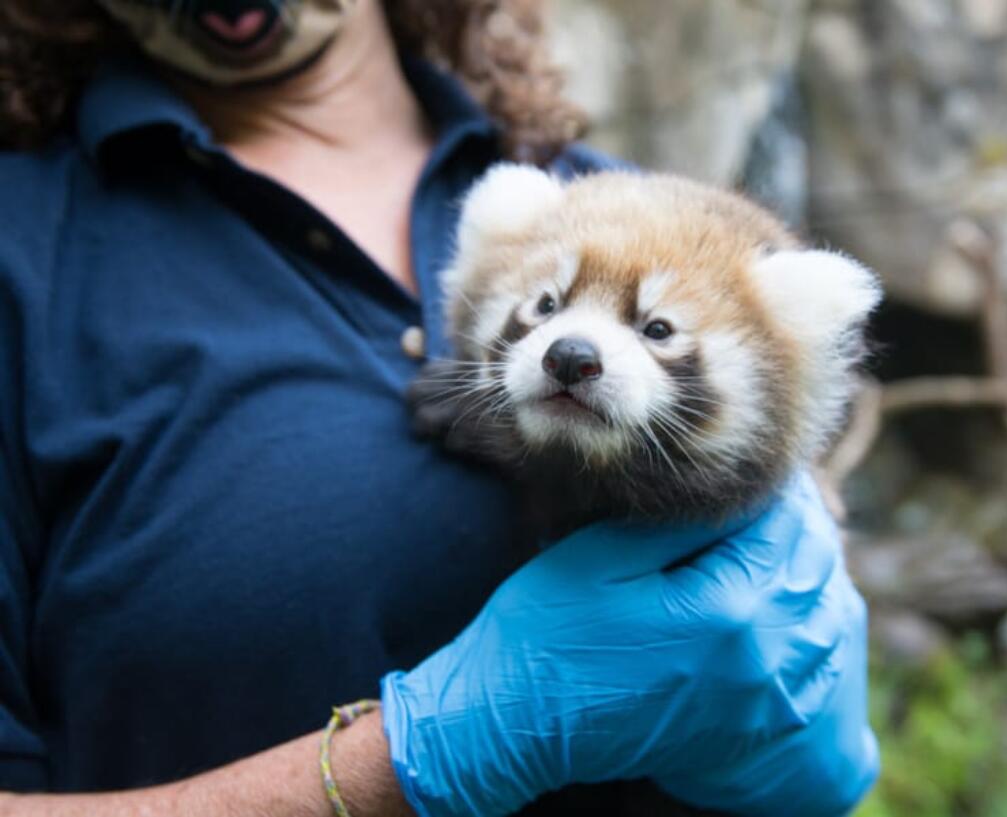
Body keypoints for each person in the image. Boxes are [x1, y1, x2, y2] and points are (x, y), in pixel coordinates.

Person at [0, 1, 879, 815]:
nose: (574, 346)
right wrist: (405, 762)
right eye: (547, 310)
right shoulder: (26, 250)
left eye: (650, 328)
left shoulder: (603, 190)